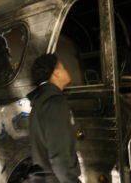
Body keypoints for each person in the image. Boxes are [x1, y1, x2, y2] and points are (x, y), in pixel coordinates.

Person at [27, 53, 81, 183]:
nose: (66, 70)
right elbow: (59, 156)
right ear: (55, 73)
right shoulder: (55, 102)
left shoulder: (39, 102)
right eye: (63, 67)